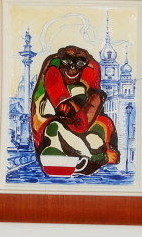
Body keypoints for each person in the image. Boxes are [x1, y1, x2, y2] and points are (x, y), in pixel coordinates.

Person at [30, 46, 118, 176]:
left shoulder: (88, 77)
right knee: (54, 127)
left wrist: (95, 100)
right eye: (67, 61)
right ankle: (92, 158)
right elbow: (75, 119)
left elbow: (89, 123)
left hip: (79, 139)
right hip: (54, 135)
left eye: (79, 63)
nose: (72, 67)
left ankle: (85, 161)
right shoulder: (52, 72)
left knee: (96, 134)